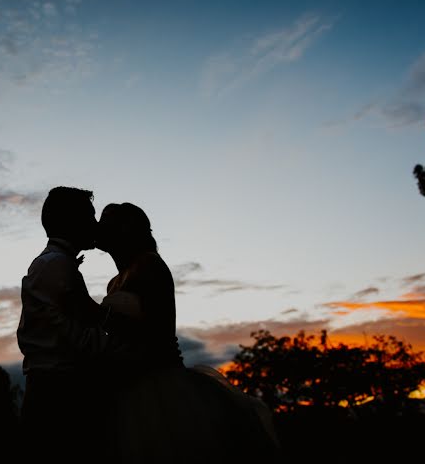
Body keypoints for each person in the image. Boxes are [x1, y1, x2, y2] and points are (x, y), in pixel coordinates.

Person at [96, 202, 280, 463]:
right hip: (128, 385)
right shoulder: (114, 282)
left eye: (107, 221)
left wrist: (97, 316)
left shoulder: (150, 265)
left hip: (160, 385)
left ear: (126, 229)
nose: (99, 227)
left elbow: (156, 331)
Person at [17, 186, 132, 462]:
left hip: (54, 389)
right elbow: (72, 336)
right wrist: (124, 350)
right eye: (90, 216)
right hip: (56, 396)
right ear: (71, 221)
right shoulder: (55, 265)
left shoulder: (56, 264)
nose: (95, 224)